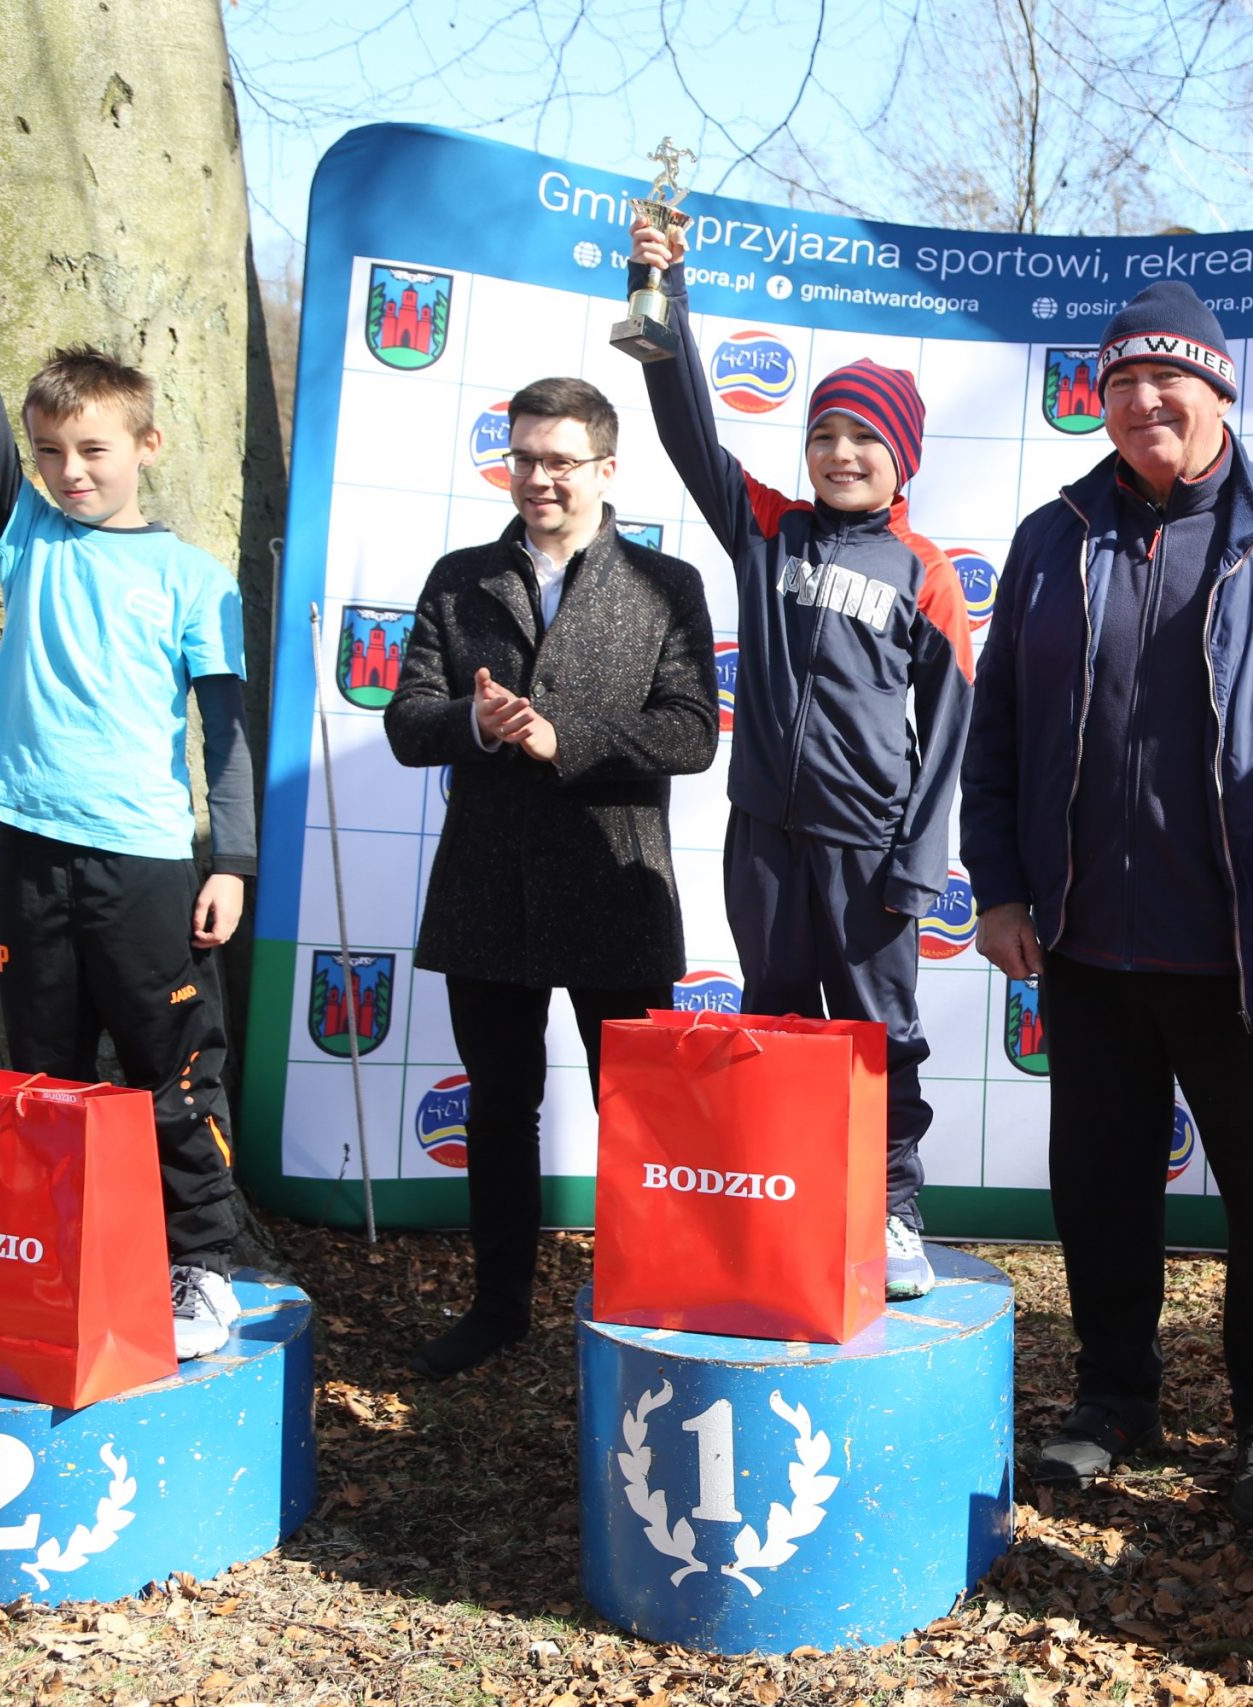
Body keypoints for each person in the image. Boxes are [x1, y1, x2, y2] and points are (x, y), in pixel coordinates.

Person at [962, 280, 1253, 1527]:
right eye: (1119, 385)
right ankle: (1114, 1398)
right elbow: (996, 729)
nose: (1142, 402)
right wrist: (999, 885)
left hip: (1250, 953)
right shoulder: (1052, 538)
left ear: (1219, 392)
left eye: (1168, 380)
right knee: (1099, 1188)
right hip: (1087, 946)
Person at [0, 178, 255, 1360]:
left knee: (171, 1072)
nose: (70, 471)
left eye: (93, 450)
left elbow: (227, 732)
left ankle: (203, 1265)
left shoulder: (194, 577)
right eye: (53, 451)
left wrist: (231, 862)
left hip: (146, 863)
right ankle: (62, 1263)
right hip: (29, 848)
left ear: (145, 447)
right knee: (45, 1075)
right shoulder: (28, 535)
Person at [628, 217, 974, 1301]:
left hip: (870, 851)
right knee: (773, 1020)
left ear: (901, 456)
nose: (841, 452)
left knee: (879, 1037)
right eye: (825, 433)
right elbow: (688, 427)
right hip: (764, 837)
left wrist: (916, 863)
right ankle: (778, 1200)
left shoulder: (925, 572)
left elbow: (948, 734)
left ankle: (894, 1208)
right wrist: (663, 288)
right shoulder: (766, 529)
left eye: (865, 437)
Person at [385, 378, 719, 1379]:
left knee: (641, 1112)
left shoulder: (666, 583)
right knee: (498, 1105)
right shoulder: (459, 579)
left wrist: (564, 736)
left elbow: (692, 733)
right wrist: (475, 724)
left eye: (559, 460)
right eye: (523, 457)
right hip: (487, 888)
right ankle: (498, 1310)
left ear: (606, 469)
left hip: (617, 886)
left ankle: (656, 1297)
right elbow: (407, 721)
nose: (537, 477)